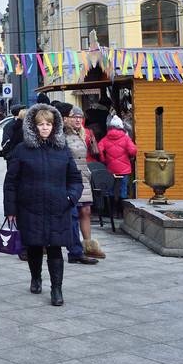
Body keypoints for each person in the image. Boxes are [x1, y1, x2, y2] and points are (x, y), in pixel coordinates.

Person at [4, 103, 83, 307]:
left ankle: (57, 289)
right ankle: (36, 277)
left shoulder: (62, 150)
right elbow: (11, 182)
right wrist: (10, 210)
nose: (45, 127)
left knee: (56, 249)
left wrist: (70, 198)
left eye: (49, 124)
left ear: (54, 126)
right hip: (30, 207)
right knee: (35, 247)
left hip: (58, 207)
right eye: (41, 124)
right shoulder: (22, 150)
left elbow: (75, 179)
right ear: (33, 126)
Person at [64, 105, 103, 262]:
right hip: (72, 178)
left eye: (80, 117)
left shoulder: (83, 133)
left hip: (84, 177)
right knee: (73, 213)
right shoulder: (64, 134)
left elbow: (92, 153)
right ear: (67, 119)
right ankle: (74, 249)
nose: (78, 119)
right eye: (75, 117)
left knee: (86, 211)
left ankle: (88, 246)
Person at [98, 116, 137, 201]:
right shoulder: (126, 138)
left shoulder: (105, 139)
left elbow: (99, 149)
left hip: (111, 168)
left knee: (111, 188)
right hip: (124, 168)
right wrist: (131, 156)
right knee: (123, 188)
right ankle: (122, 210)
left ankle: (112, 210)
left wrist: (103, 160)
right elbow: (132, 150)